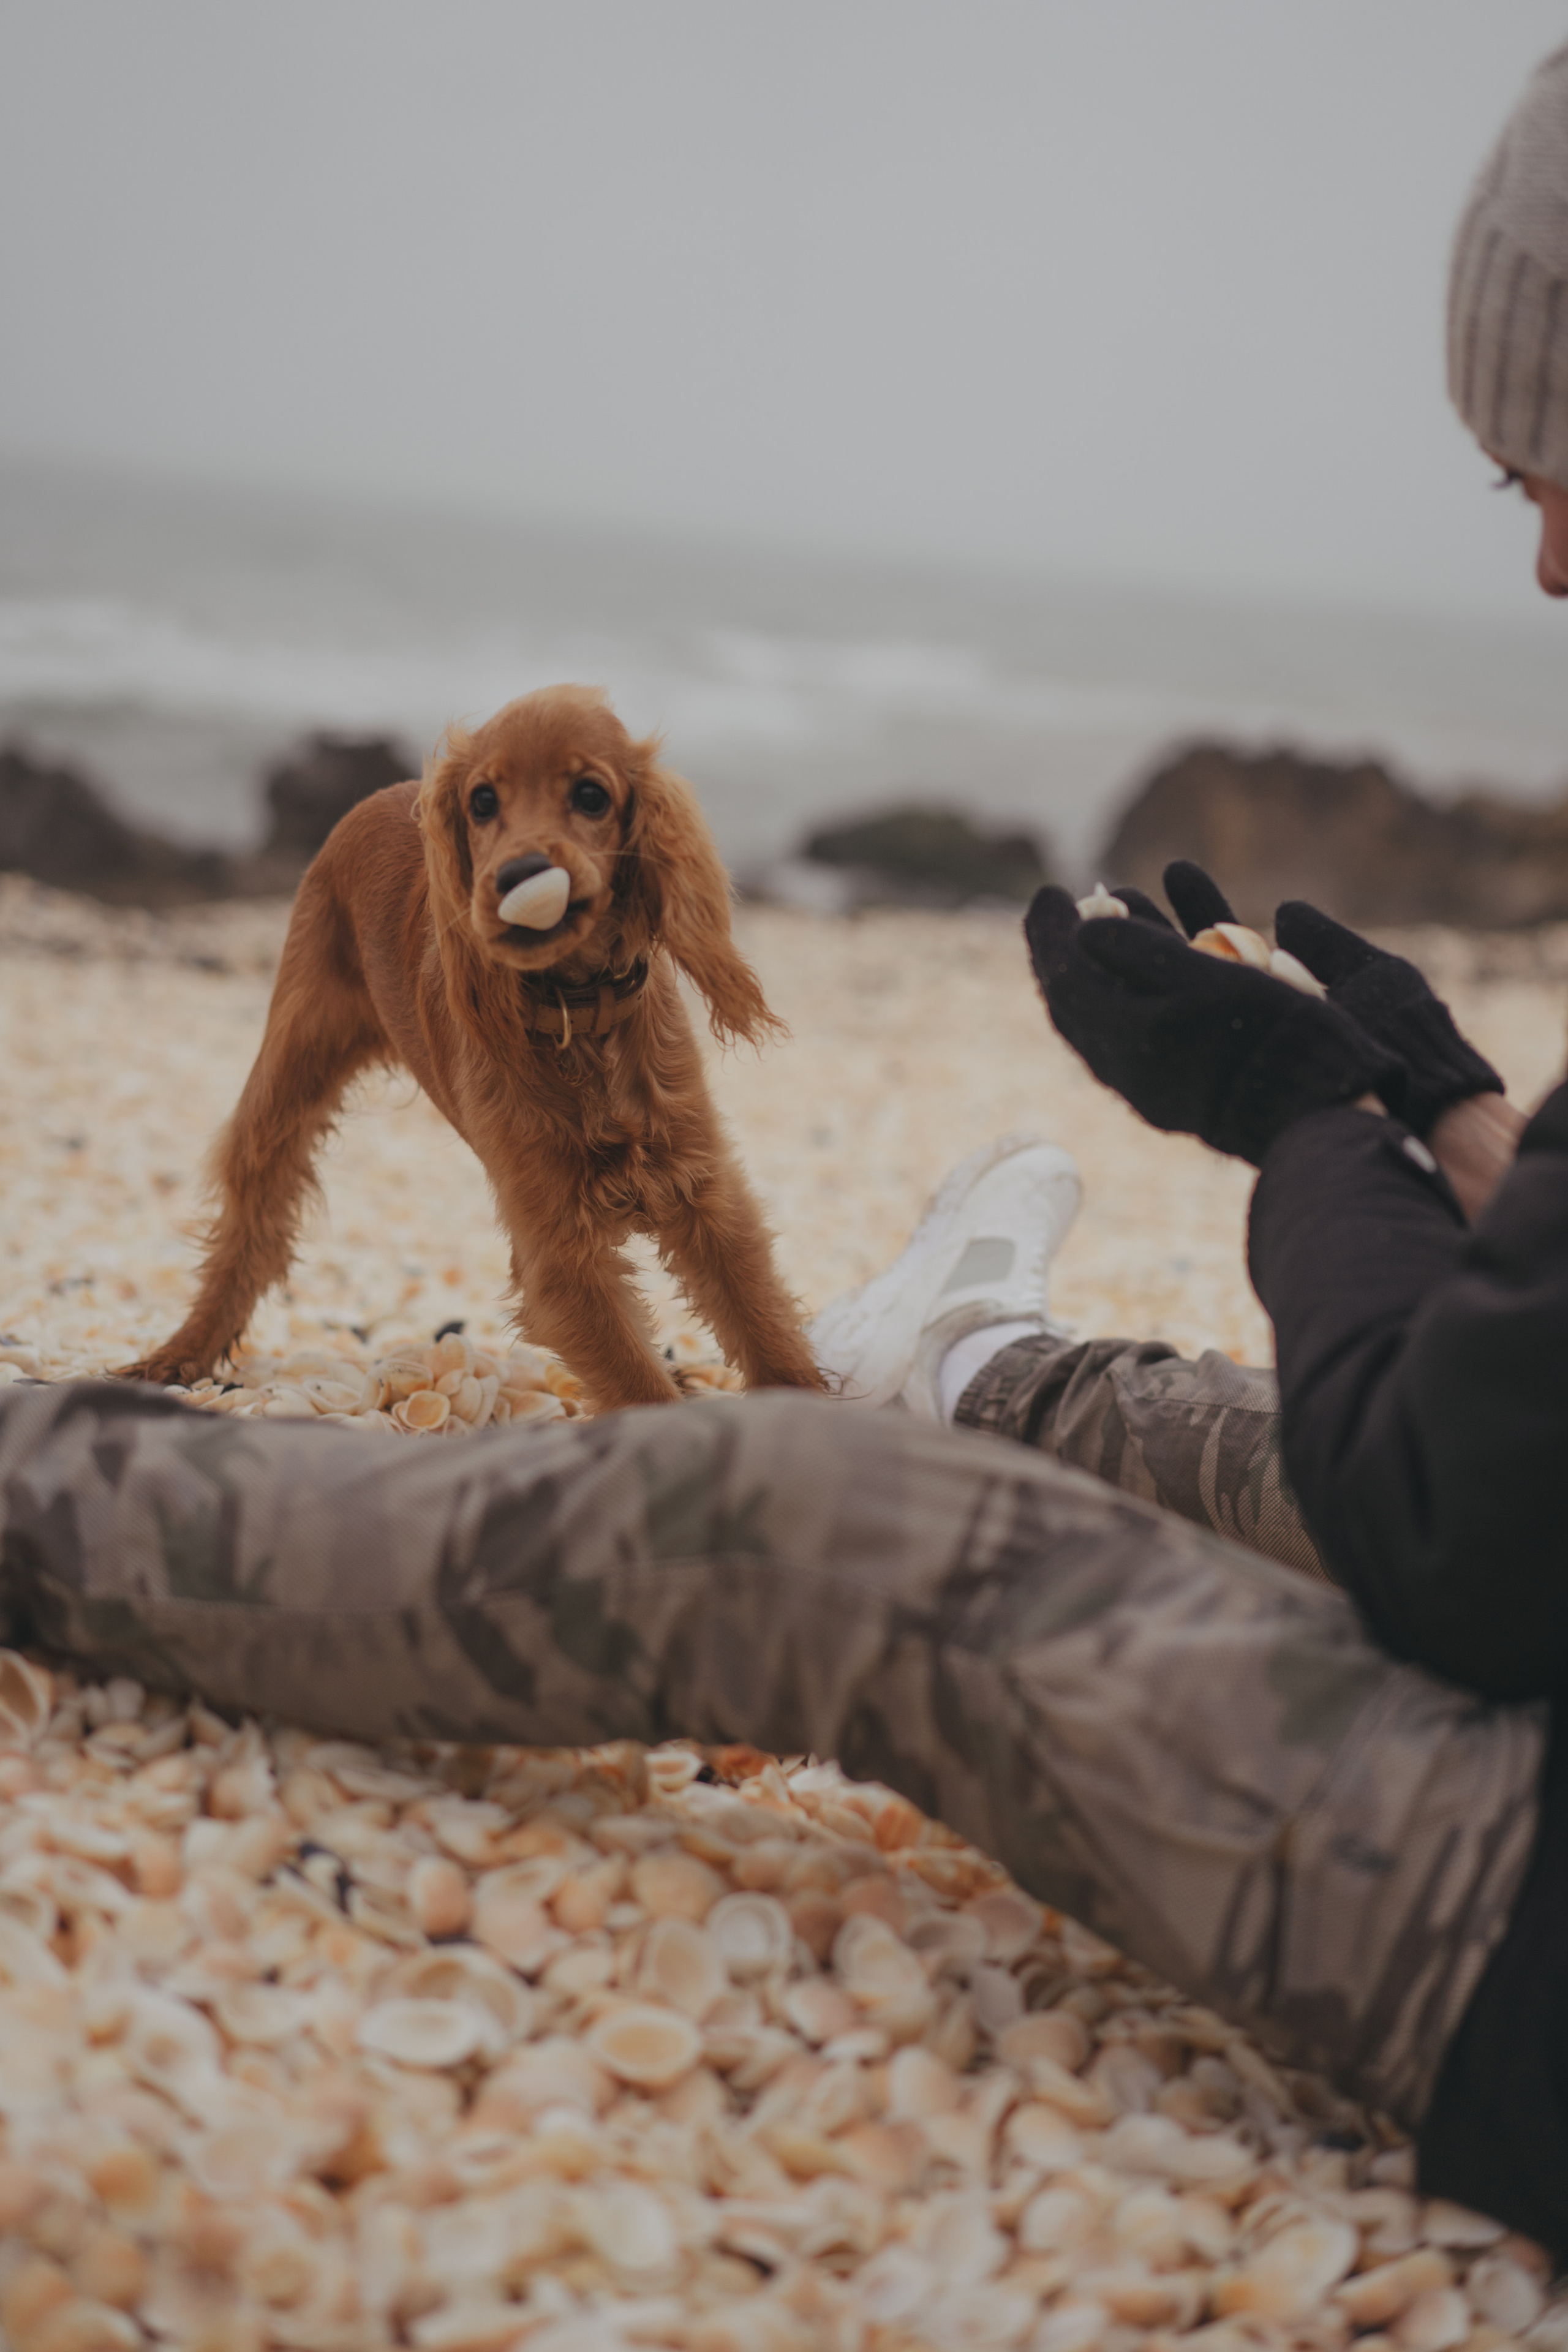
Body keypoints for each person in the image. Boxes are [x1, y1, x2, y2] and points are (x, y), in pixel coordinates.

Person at [2, 35, 1568, 2261]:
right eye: (1515, 481)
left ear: (635, 838)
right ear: (457, 844)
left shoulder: (646, 943)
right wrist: (1467, 1129)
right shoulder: (413, 908)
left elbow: (1464, 1527)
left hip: (1514, 1920)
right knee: (1207, 1423)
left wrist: (1310, 1128)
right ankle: (975, 1357)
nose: (1543, 563)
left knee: (797, 1504)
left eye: (1546, 467)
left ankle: (49, 1489)